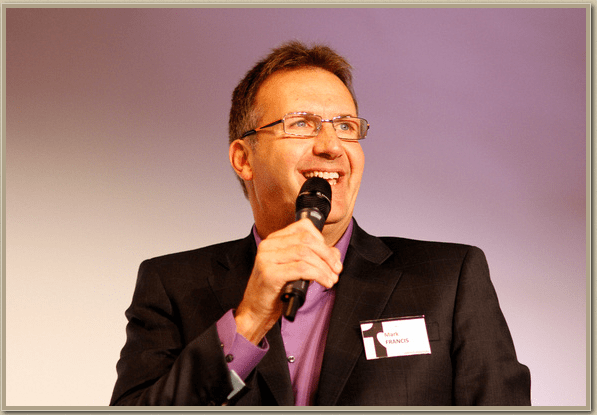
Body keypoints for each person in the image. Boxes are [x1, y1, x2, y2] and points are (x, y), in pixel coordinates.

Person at [110, 41, 531, 406]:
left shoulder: (449, 279)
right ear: (244, 158)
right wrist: (249, 320)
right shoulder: (172, 286)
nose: (331, 146)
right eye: (301, 124)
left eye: (346, 126)